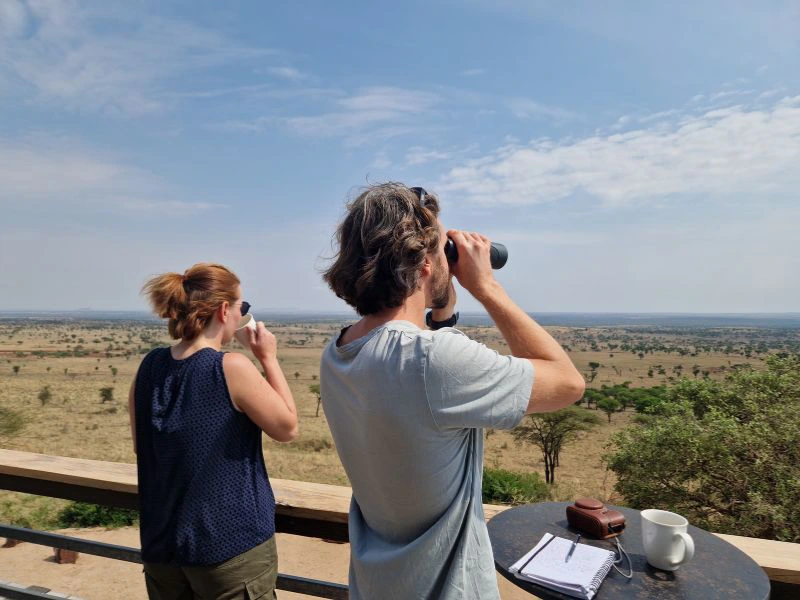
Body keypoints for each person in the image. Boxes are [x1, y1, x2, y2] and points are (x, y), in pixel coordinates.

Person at [320, 183, 585, 599]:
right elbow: (568, 383)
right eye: (444, 248)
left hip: (378, 585)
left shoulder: (338, 352)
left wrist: (440, 309)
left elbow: (412, 374)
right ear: (425, 265)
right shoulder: (431, 361)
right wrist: (487, 287)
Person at [129, 262, 298, 600]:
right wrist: (268, 358)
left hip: (162, 546)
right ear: (224, 310)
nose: (242, 313)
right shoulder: (229, 367)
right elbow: (287, 427)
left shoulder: (149, 366)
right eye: (242, 307)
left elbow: (141, 446)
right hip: (228, 546)